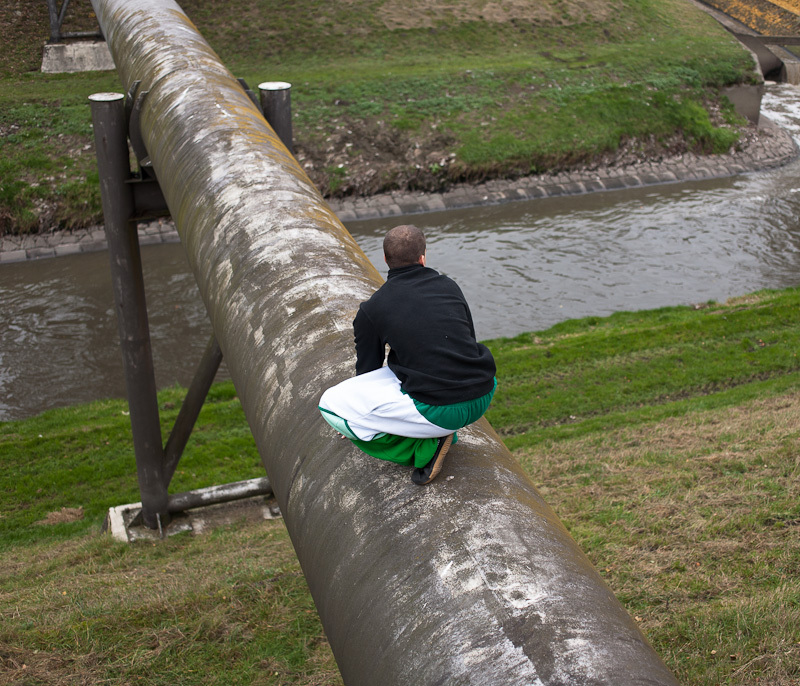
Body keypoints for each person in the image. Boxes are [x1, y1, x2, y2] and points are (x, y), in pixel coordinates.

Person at [318, 224, 497, 485]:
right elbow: (465, 340)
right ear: (423, 257)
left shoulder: (373, 308)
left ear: (385, 260)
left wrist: (357, 418)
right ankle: (441, 433)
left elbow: (367, 371)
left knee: (329, 405)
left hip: (441, 411)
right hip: (483, 391)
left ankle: (423, 448)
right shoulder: (449, 285)